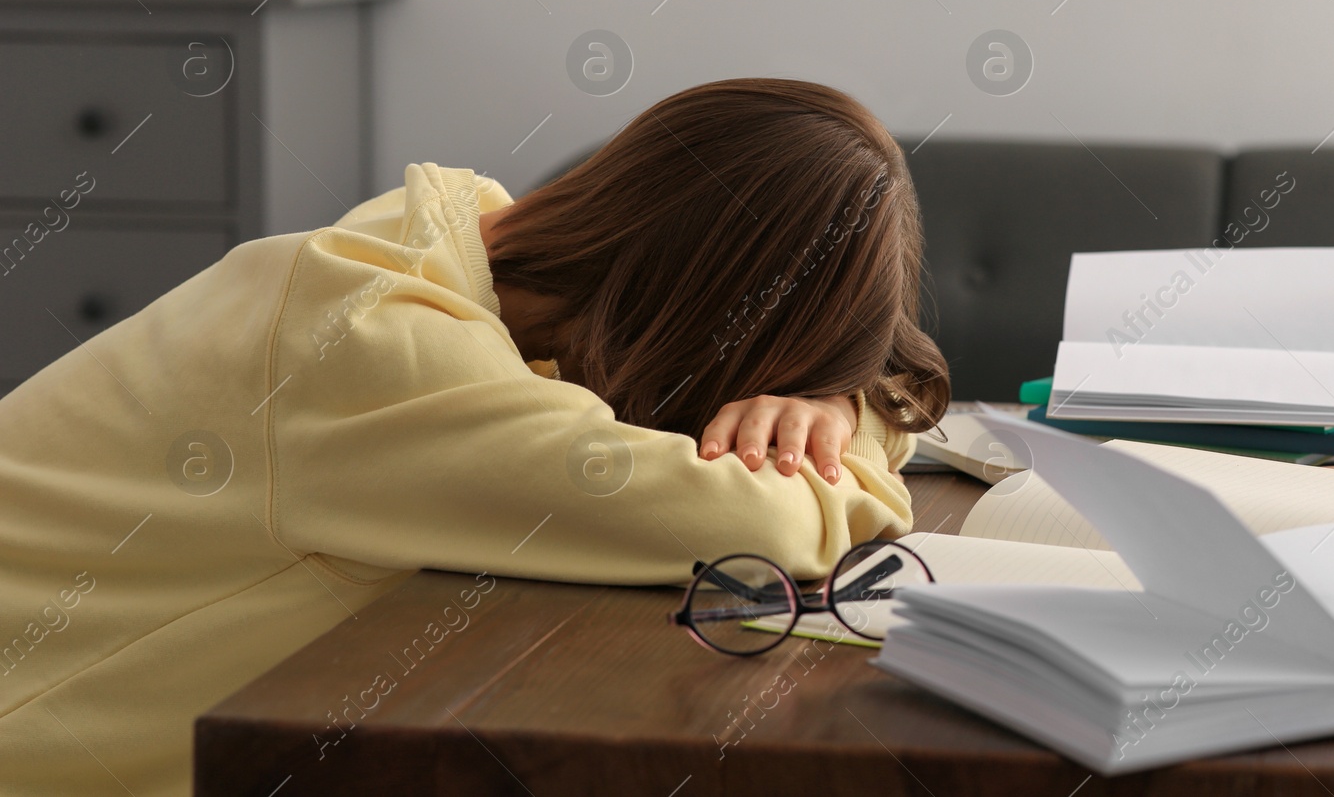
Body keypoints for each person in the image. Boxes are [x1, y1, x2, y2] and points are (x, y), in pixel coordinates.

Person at [0, 77, 949, 795]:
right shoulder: (384, 346)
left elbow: (896, 384)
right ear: (706, 318)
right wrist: (846, 455)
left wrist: (823, 403)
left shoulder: (450, 236)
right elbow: (746, 526)